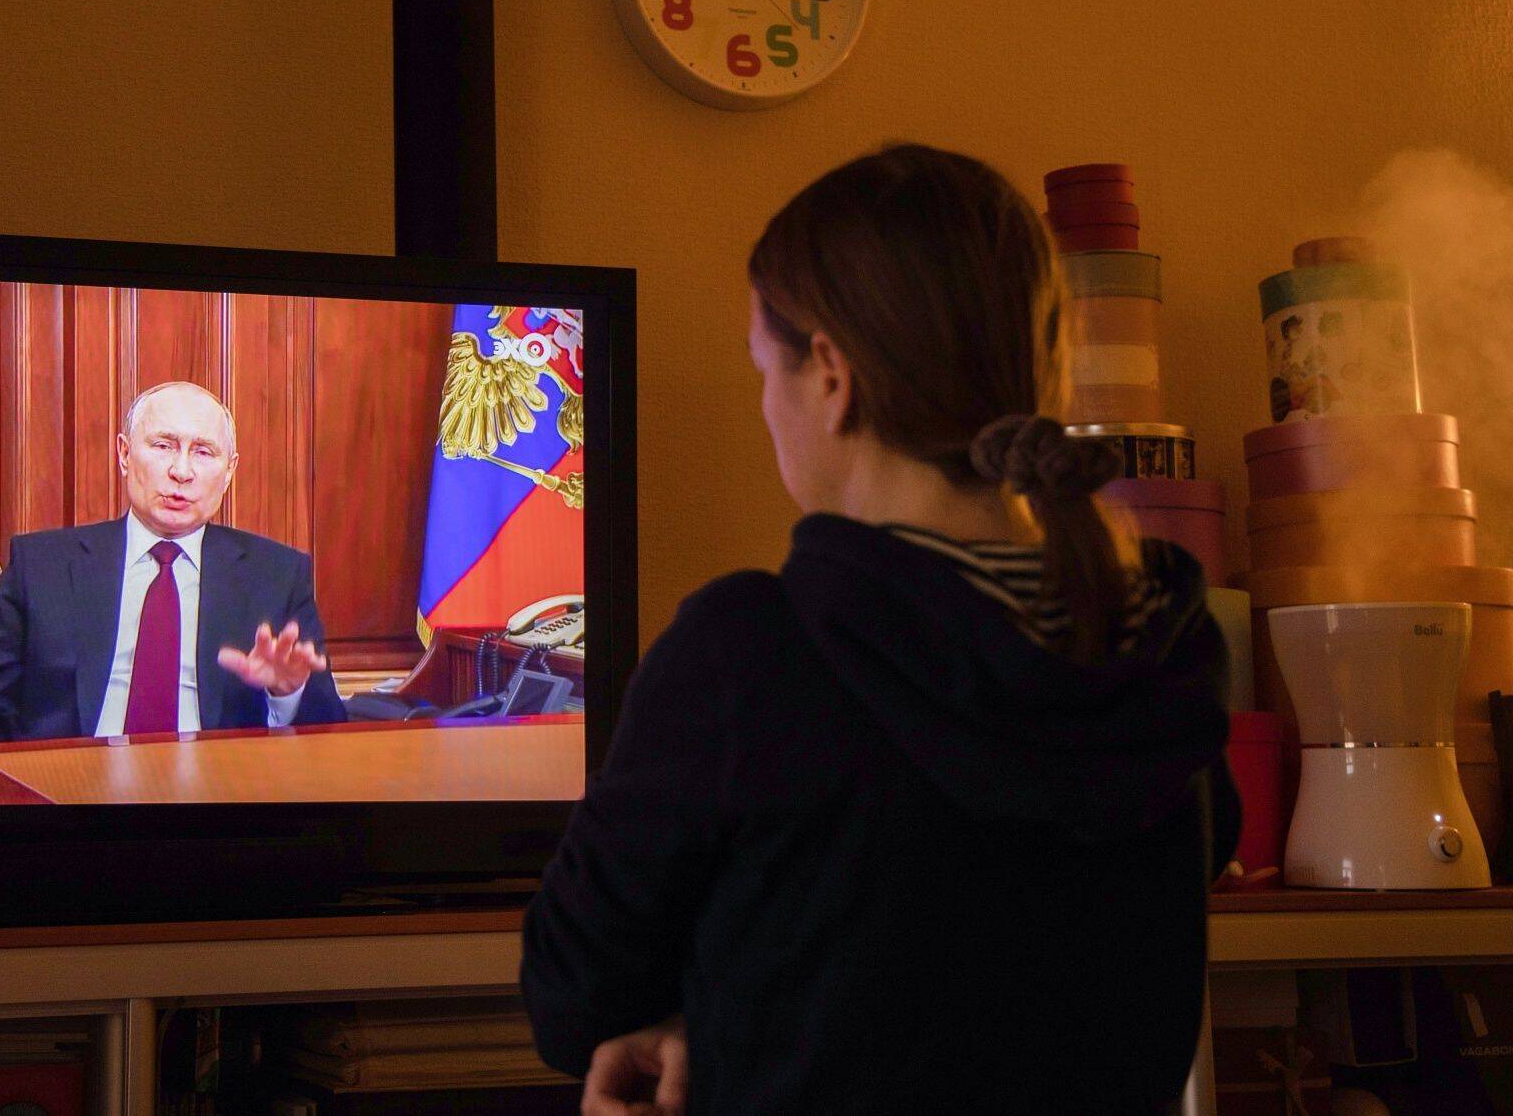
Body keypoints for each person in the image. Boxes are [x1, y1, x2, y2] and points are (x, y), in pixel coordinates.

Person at [521, 145, 1238, 1114]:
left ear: (828, 373)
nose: (766, 407)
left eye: (761, 370)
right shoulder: (1160, 646)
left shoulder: (748, 652)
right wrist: (726, 1013)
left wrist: (712, 1025)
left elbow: (572, 999)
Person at [0, 381, 345, 743]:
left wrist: (286, 692)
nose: (181, 471)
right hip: (68, 793)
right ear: (123, 453)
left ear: (229, 471)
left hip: (217, 803)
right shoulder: (42, 566)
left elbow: (329, 731)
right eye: (163, 445)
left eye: (204, 452)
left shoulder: (277, 573)